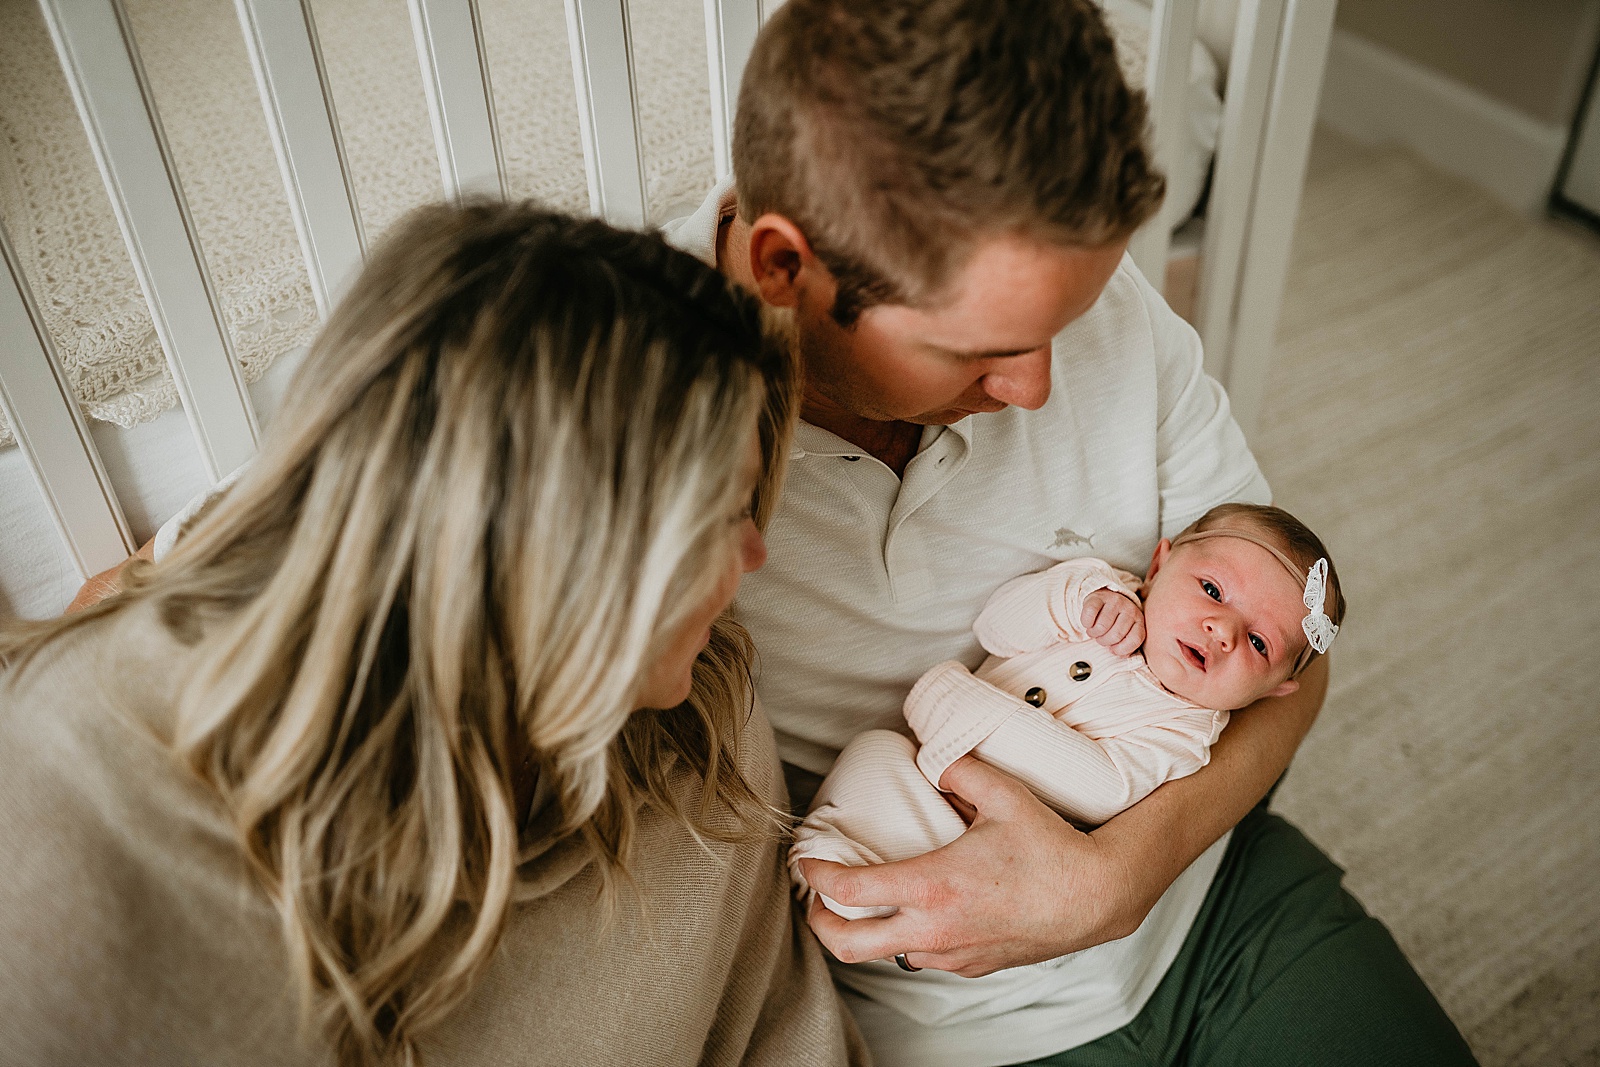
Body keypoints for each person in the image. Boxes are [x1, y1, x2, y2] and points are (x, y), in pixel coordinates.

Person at [669, 0, 1479, 1062]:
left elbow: (1298, 655)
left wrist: (1120, 877)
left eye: (1062, 326)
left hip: (1209, 901)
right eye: (984, 349)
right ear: (785, 270)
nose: (1040, 385)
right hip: (942, 1013)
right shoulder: (640, 435)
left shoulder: (1085, 296)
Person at [0, 203, 864, 1065]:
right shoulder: (77, 813)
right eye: (718, 515)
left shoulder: (695, 710)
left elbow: (786, 1033)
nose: (755, 554)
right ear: (544, 542)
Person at [788, 504, 1345, 1031]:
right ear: (1160, 563)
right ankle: (823, 866)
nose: (1221, 630)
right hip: (911, 776)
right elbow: (996, 629)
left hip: (979, 845)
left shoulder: (1187, 731)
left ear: (1277, 690)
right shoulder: (1097, 594)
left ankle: (849, 895)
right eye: (1212, 590)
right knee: (872, 756)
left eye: (1257, 642)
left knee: (918, 837)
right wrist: (1071, 602)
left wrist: (949, 700)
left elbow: (1099, 788)